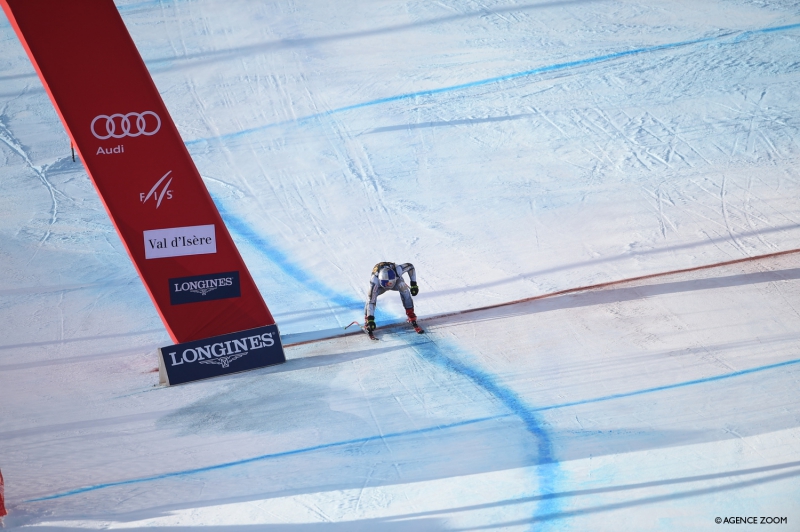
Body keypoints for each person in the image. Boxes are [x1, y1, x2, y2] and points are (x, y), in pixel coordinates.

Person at [364, 262, 419, 332]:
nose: (389, 286)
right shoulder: (374, 281)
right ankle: (367, 320)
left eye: (390, 283)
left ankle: (411, 314)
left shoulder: (397, 270)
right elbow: (371, 302)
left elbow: (410, 266)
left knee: (403, 286)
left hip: (395, 281)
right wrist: (370, 319)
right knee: (371, 297)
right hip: (380, 287)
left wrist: (414, 284)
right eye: (387, 283)